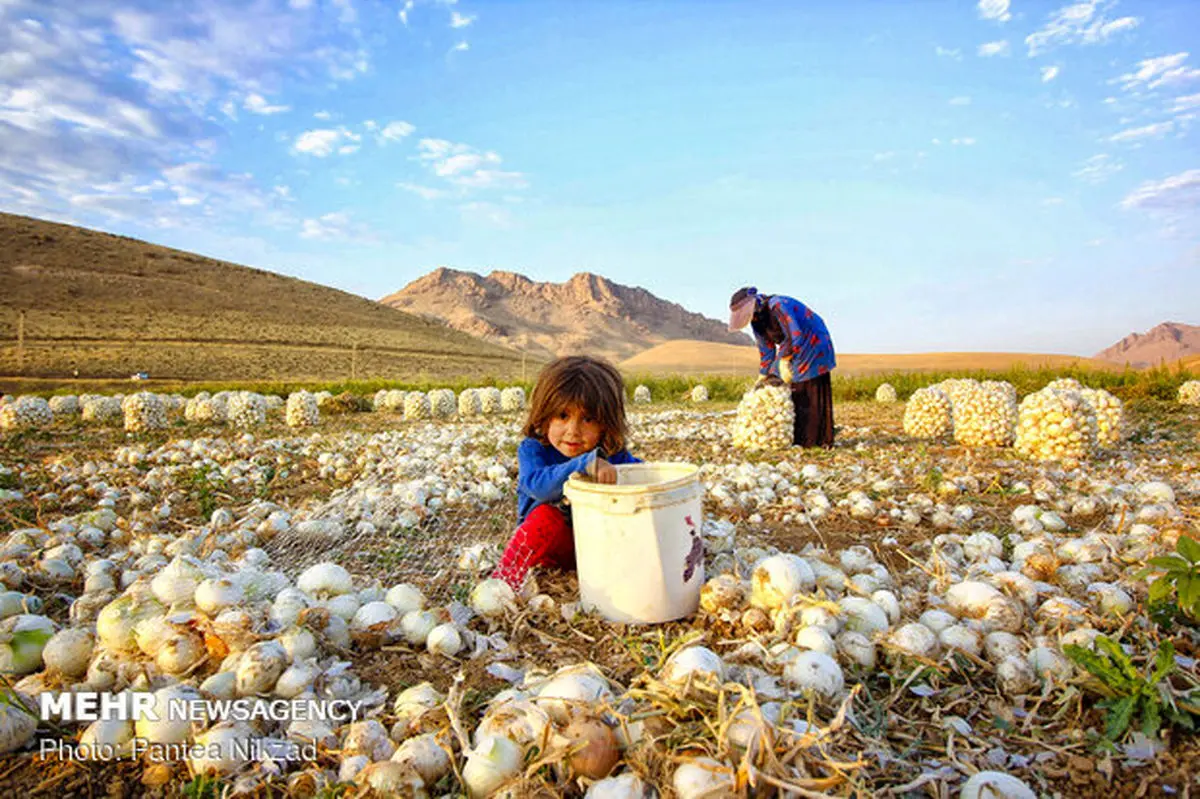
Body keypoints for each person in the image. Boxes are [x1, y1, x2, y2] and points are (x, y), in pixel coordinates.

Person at [492, 355, 642, 590]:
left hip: (598, 546)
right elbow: (538, 486)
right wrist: (585, 464)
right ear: (544, 415)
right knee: (546, 516)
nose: (573, 431)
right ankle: (502, 584)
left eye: (588, 419)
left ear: (605, 424)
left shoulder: (613, 453)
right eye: (562, 416)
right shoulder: (533, 449)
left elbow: (637, 474)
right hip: (551, 547)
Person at [728, 286, 836, 447]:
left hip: (813, 341)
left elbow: (796, 335)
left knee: (805, 385)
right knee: (789, 385)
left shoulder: (778, 306)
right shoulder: (756, 320)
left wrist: (784, 361)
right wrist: (763, 375)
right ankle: (799, 437)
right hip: (794, 345)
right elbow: (766, 349)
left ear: (753, 303)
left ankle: (816, 439)